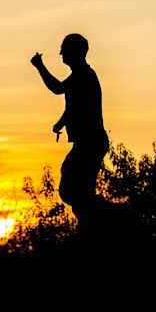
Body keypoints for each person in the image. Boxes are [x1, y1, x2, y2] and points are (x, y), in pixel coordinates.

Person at [30, 33, 110, 245]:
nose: (60, 53)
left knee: (73, 189)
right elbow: (75, 105)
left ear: (75, 52)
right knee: (77, 191)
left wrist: (39, 66)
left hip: (91, 143)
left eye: (64, 49)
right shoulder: (82, 76)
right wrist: (62, 122)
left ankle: (107, 218)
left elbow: (57, 89)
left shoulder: (83, 75)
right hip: (89, 142)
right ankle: (91, 227)